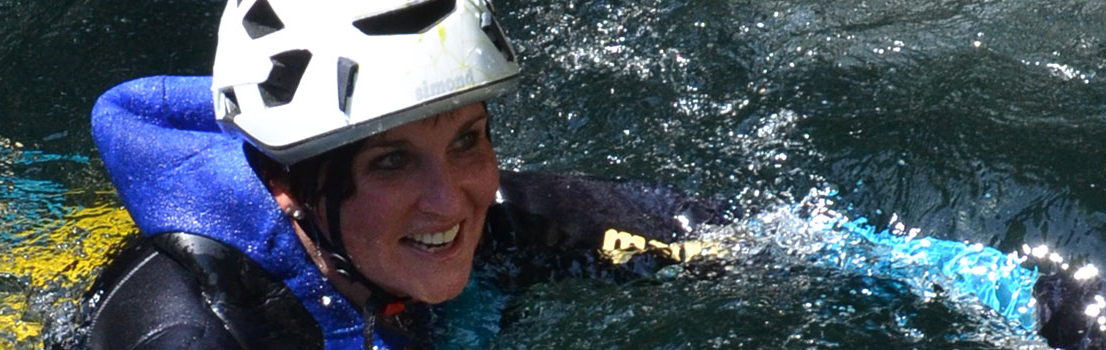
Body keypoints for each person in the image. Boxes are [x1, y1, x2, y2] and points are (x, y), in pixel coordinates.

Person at [75, 0, 723, 349]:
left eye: (467, 140)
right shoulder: (190, 334)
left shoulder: (479, 216)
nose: (452, 203)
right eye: (391, 160)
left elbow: (773, 244)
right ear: (283, 179)